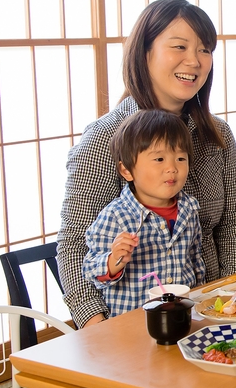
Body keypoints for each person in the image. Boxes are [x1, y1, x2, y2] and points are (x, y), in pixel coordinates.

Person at [58, 0, 236, 329]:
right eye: (179, 46)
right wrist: (97, 327)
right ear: (144, 53)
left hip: (210, 314)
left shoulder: (217, 134)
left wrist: (230, 296)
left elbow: (233, 222)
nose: (194, 60)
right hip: (130, 326)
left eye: (205, 50)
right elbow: (75, 244)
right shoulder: (105, 137)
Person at [82, 110, 205, 317]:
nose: (172, 168)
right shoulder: (115, 216)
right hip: (132, 325)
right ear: (126, 171)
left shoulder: (189, 208)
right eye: (159, 159)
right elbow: (91, 270)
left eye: (181, 158)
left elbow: (195, 261)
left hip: (183, 316)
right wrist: (114, 260)